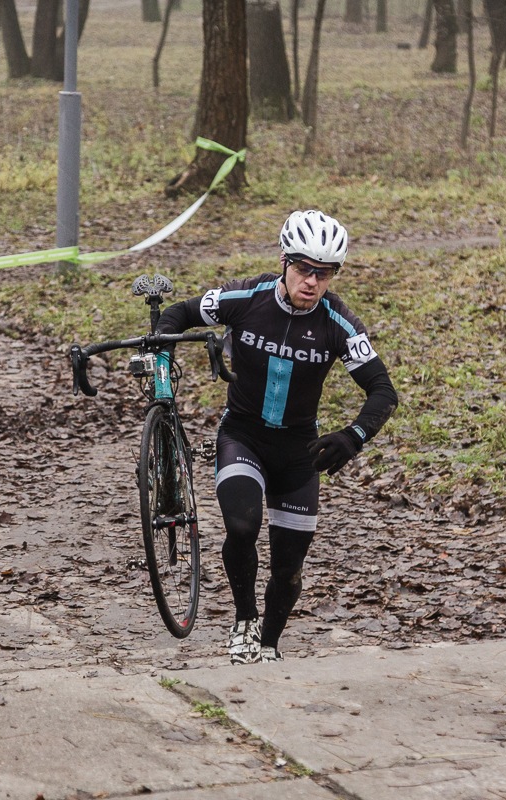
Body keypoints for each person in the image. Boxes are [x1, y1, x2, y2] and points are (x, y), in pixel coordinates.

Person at [156, 210, 398, 664]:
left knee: (288, 568)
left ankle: (269, 644)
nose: (312, 281)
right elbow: (179, 312)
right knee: (242, 527)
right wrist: (163, 353)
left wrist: (353, 436)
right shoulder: (245, 298)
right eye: (304, 268)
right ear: (284, 261)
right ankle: (244, 621)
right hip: (242, 437)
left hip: (298, 452)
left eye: (324, 273)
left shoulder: (338, 322)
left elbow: (383, 391)